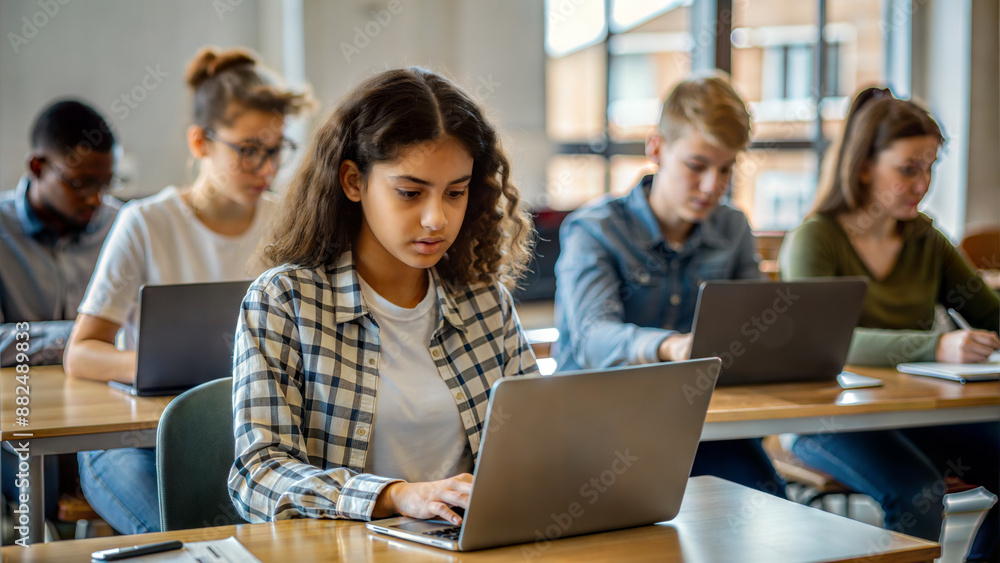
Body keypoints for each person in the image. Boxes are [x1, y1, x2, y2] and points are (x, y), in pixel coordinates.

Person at [228, 67, 537, 525]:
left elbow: (539, 442)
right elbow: (258, 476)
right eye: (410, 192)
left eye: (455, 193)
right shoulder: (284, 301)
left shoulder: (486, 302)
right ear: (353, 182)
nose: (436, 218)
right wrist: (395, 496)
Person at [64, 46, 312, 535]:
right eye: (248, 150)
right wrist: (162, 366)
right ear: (200, 142)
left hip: (239, 439)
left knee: (270, 536)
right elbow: (81, 353)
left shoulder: (286, 222)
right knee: (192, 537)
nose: (266, 168)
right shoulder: (145, 223)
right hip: (133, 440)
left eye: (277, 148)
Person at [781, 87, 999, 562]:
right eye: (908, 169)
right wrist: (935, 348)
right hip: (828, 420)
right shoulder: (814, 240)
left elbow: (990, 312)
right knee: (915, 489)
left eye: (930, 168)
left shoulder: (927, 239)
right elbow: (823, 344)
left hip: (918, 414)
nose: (922, 184)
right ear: (863, 167)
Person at [552, 73, 784, 497]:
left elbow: (756, 326)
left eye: (726, 168)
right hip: (601, 430)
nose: (712, 186)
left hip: (701, 425)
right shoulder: (594, 230)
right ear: (656, 148)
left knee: (772, 507)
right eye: (697, 166)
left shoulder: (732, 227)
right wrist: (670, 347)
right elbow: (592, 339)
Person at [0, 99, 120, 527]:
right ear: (37, 166)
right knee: (35, 457)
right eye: (80, 182)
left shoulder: (120, 225)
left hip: (105, 404)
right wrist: (84, 338)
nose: (95, 198)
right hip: (21, 408)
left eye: (106, 183)